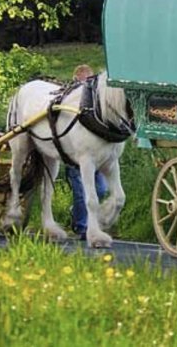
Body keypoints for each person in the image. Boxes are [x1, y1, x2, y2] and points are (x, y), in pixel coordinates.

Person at [66, 64, 107, 240]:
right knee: (80, 193)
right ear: (76, 79)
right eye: (82, 81)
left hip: (95, 154)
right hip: (75, 155)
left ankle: (77, 213)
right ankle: (82, 226)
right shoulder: (70, 99)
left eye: (88, 81)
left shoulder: (96, 99)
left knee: (102, 189)